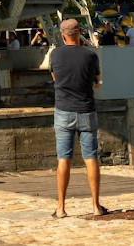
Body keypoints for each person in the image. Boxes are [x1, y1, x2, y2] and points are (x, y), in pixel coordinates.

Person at [50, 18, 108, 219]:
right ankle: (95, 206)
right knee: (91, 158)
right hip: (86, 111)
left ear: (63, 34)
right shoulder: (90, 56)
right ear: (79, 32)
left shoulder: (55, 55)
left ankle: (61, 208)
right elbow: (98, 82)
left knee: (63, 159)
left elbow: (55, 78)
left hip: (63, 111)